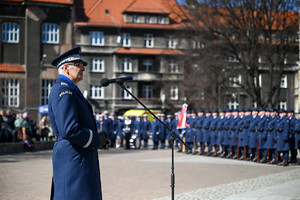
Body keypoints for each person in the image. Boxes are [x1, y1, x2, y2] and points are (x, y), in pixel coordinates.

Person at [48, 46, 110, 200]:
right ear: (66, 68)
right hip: (73, 156)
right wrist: (96, 140)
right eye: (78, 64)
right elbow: (69, 129)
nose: (83, 68)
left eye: (83, 65)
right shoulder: (64, 90)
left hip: (78, 155)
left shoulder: (71, 89)